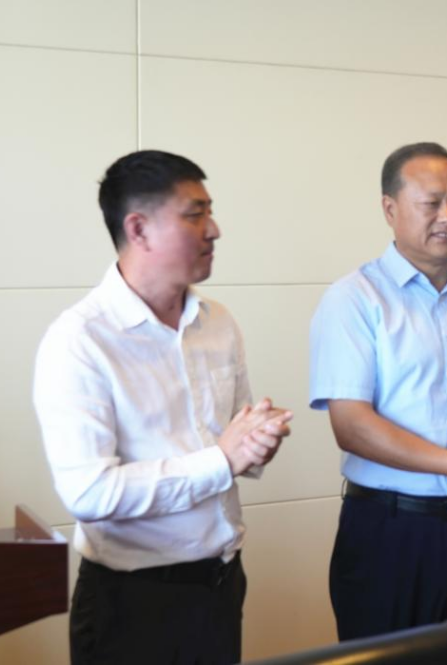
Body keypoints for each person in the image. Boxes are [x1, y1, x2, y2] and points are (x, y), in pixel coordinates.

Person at [33, 150, 292, 665]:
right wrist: (222, 459)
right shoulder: (80, 340)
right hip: (131, 604)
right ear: (139, 229)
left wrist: (256, 442)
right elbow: (89, 492)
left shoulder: (217, 321)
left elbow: (232, 444)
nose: (214, 230)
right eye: (195, 215)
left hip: (220, 585)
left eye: (209, 212)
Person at [309, 141, 447, 640]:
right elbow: (352, 427)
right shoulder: (353, 300)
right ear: (390, 209)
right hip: (391, 531)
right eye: (431, 203)